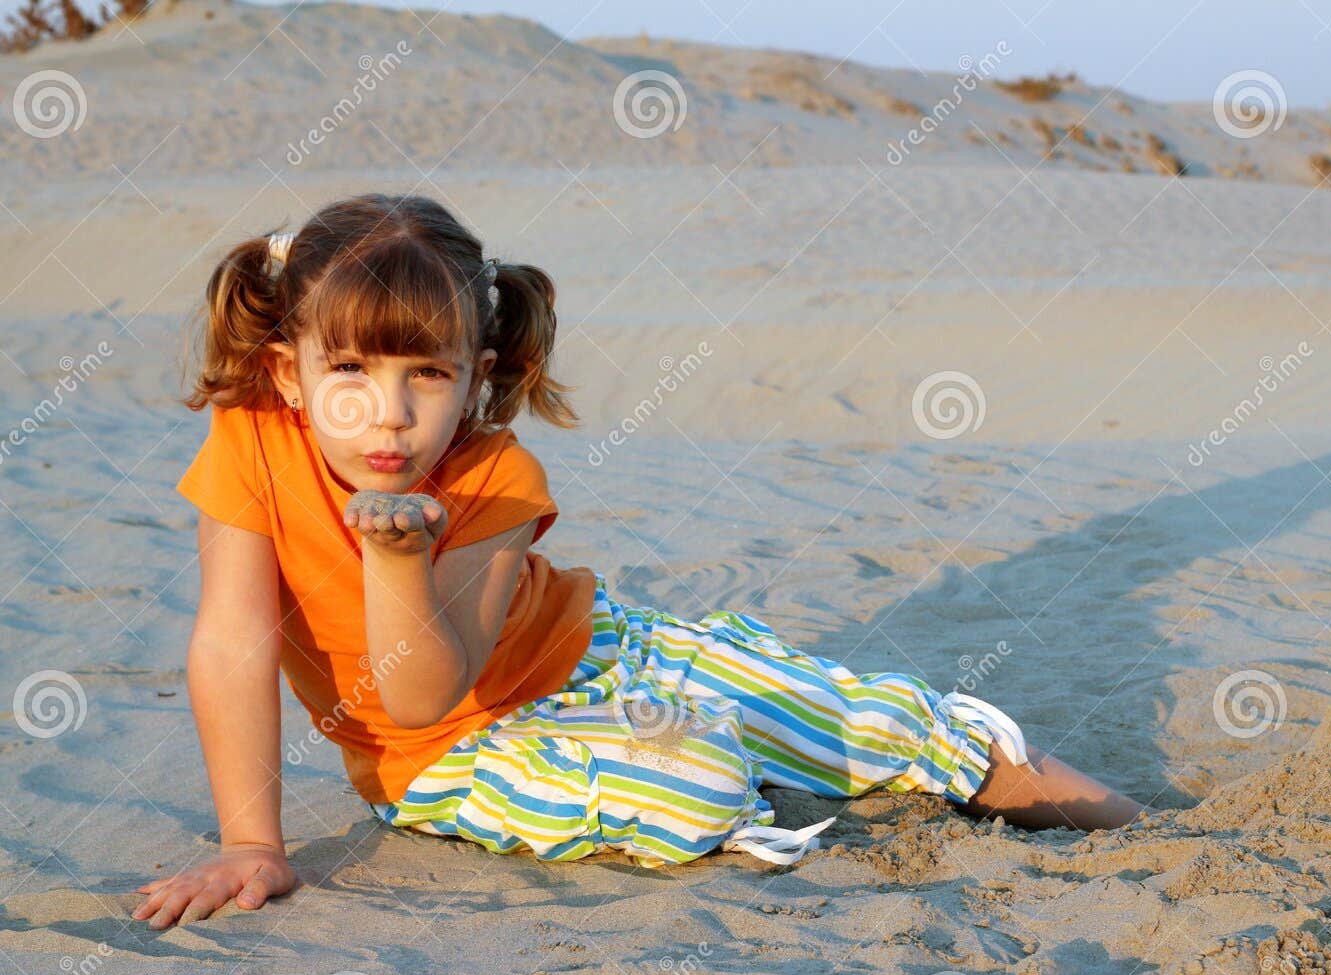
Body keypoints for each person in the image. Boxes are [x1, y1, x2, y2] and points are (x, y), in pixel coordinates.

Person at [133, 193, 1144, 930]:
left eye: (425, 374)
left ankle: (1146, 834)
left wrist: (401, 551)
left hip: (598, 651)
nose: (387, 413)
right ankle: (751, 763)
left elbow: (447, 651)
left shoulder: (495, 473)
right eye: (348, 369)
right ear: (289, 373)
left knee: (882, 718)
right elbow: (285, 661)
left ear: (475, 377)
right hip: (444, 753)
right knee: (698, 781)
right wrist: (252, 843)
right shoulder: (251, 444)